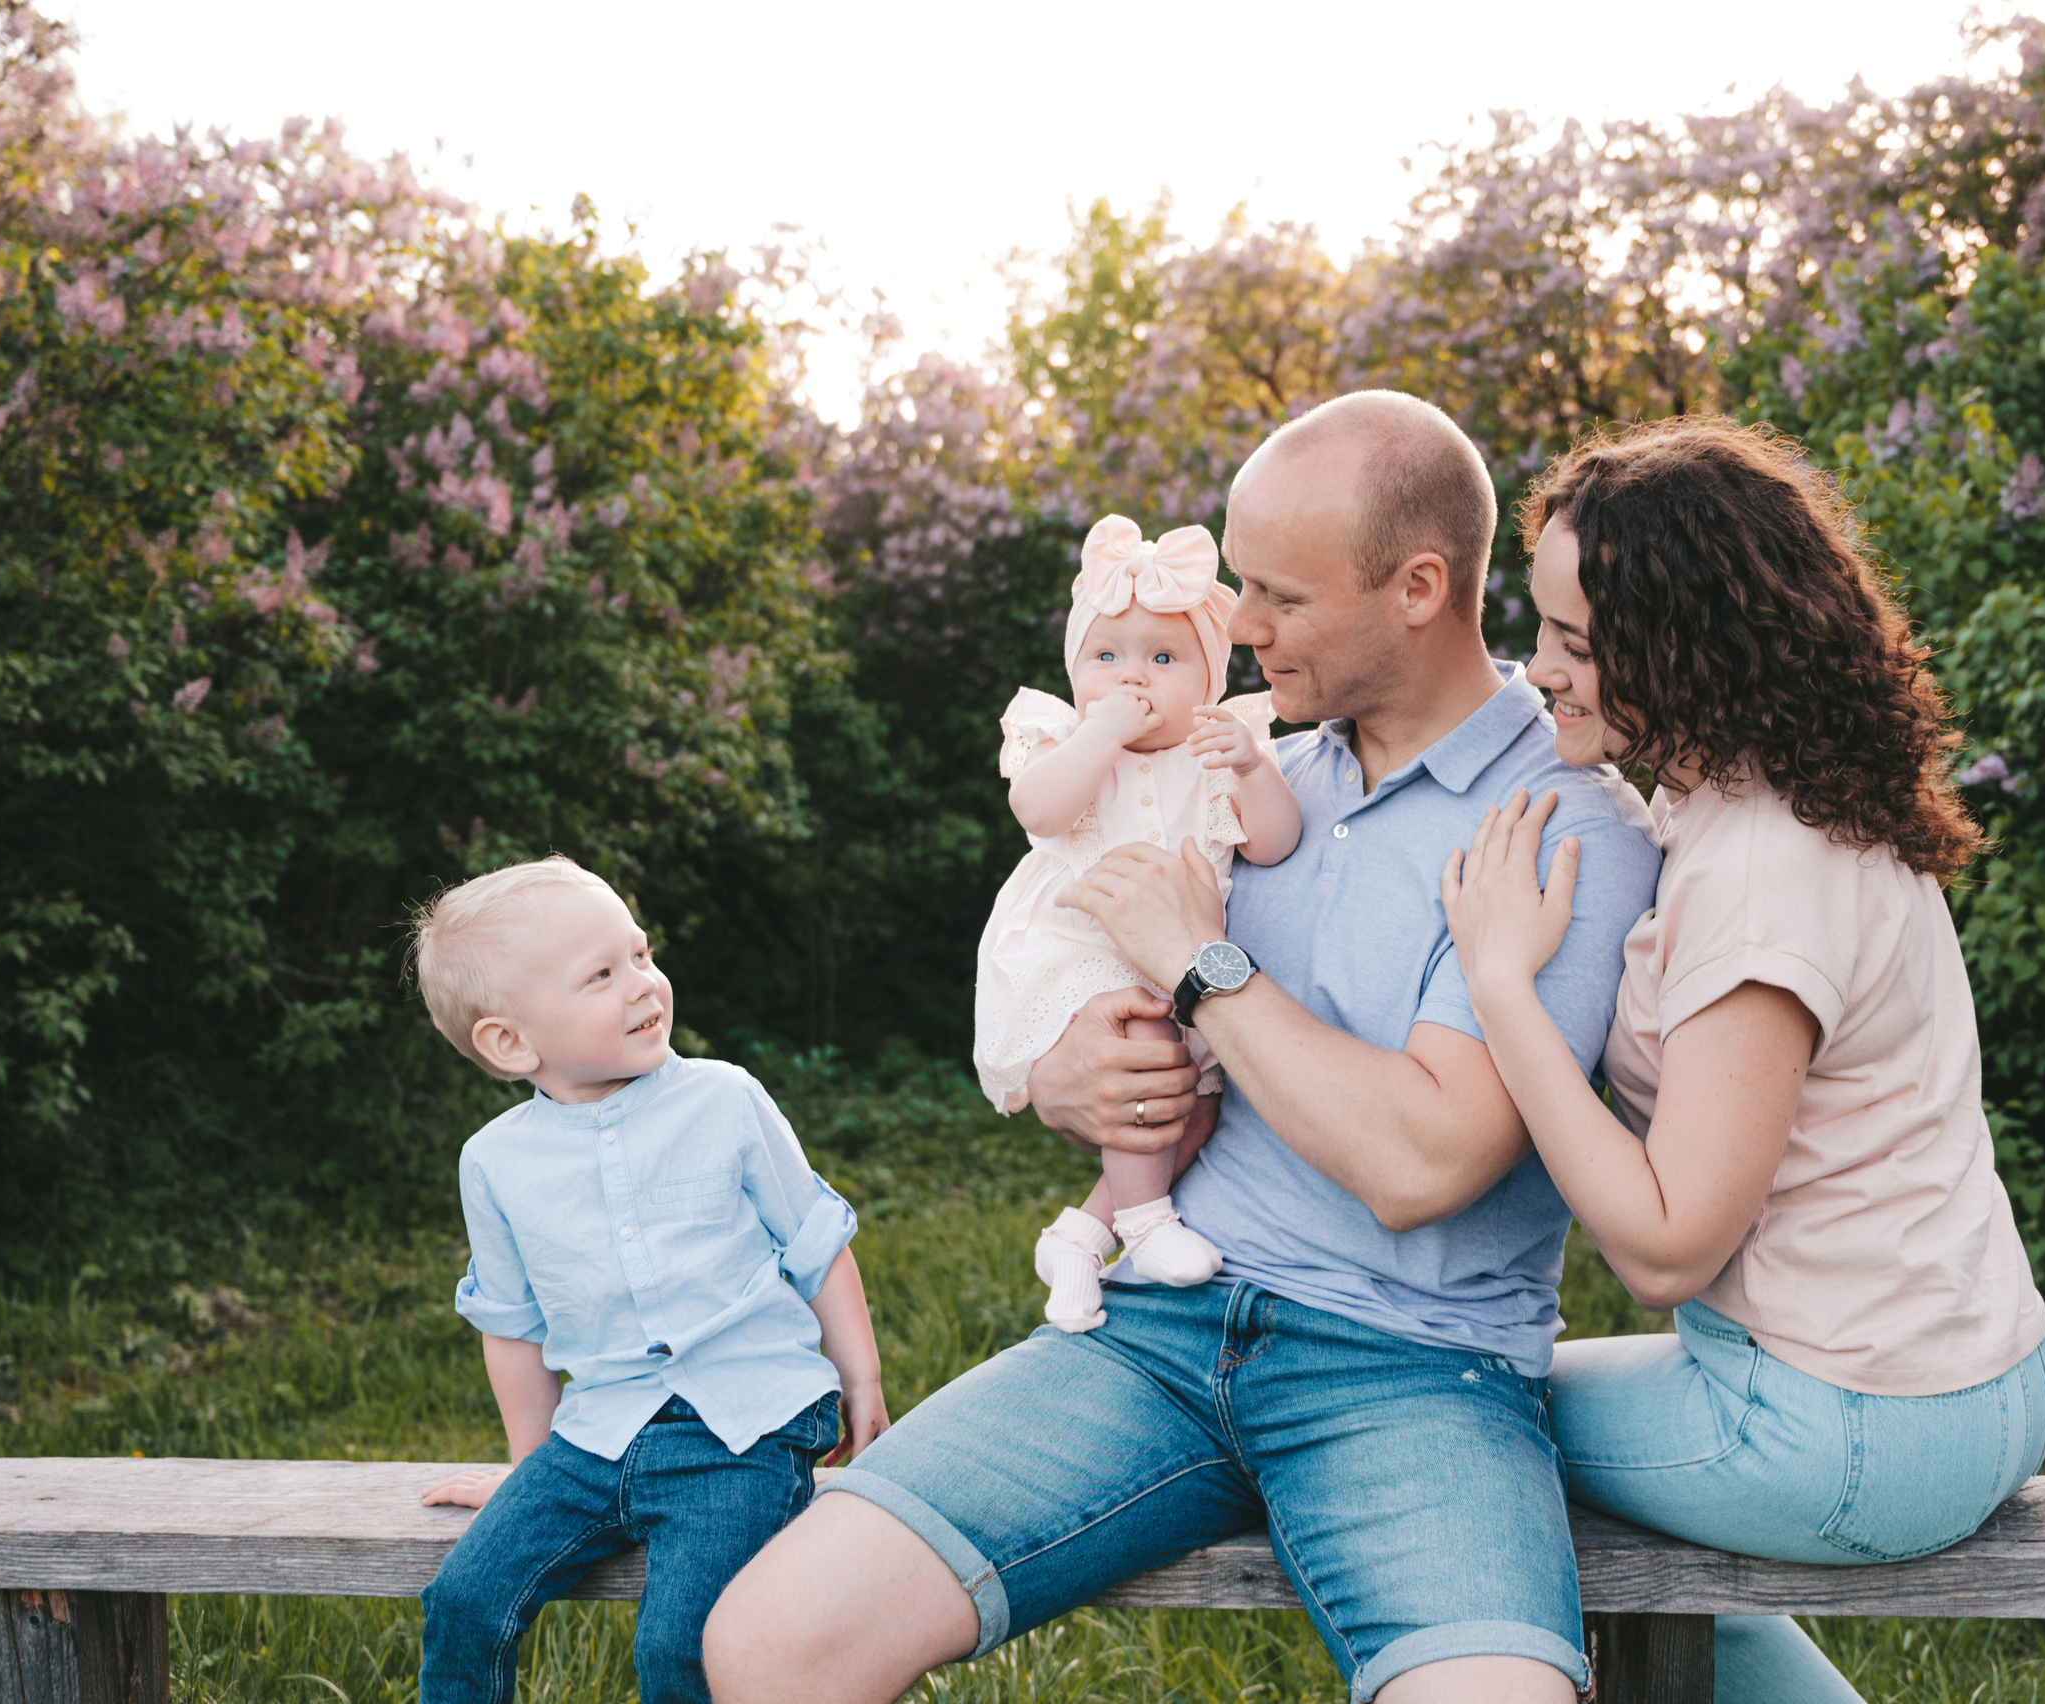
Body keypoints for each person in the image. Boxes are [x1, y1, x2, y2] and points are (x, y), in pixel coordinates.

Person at [704, 392, 1662, 1704]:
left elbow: (1423, 1159)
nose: (1243, 630)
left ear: (1420, 589)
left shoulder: (1563, 827)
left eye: (1279, 596)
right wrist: (1063, 1072)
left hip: (1412, 1369)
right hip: (1151, 1331)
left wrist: (1201, 968)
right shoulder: (1246, 768)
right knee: (769, 1645)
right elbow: (1082, 956)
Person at [1437, 418, 2045, 1703]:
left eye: (1578, 645)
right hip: (1966, 1378)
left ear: (1685, 651)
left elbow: (1669, 1250)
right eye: (1540, 627)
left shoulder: (1768, 875)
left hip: (1849, 1427)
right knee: (1486, 1422)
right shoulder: (1765, 791)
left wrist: (1498, 986)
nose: (1537, 670)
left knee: (1451, 1434)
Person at [407, 855, 889, 1704]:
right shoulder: (494, 1163)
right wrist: (530, 1470)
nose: (643, 984)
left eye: (641, 954)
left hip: (743, 1427)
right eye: (601, 974)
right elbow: (512, 1327)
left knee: (681, 1644)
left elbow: (815, 1243)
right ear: (510, 1042)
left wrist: (863, 1378)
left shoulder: (725, 1100)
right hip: (597, 1433)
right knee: (464, 1600)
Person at [977, 512, 1301, 1331]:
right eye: (1107, 658)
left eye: (1163, 659)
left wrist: (1252, 767)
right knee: (1149, 1050)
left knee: (1196, 1110)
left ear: (1208, 677)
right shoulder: (1070, 741)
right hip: (1082, 948)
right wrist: (1101, 732)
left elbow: (1273, 840)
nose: (1134, 680)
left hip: (1178, 954)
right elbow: (1039, 810)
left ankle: (1081, 1238)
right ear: (1075, 669)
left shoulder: (1216, 749)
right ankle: (1146, 1223)